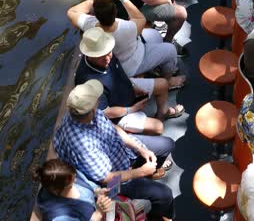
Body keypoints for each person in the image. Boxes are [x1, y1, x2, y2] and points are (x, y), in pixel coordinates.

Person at [54, 80, 176, 220]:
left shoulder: (82, 114)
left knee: (167, 145)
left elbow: (112, 128)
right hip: (111, 182)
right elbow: (107, 179)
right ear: (91, 109)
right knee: (164, 194)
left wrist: (140, 148)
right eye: (97, 101)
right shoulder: (83, 146)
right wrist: (139, 172)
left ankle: (150, 173)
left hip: (121, 153)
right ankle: (157, 217)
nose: (99, 100)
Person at [67, 0, 185, 89]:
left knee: (155, 35)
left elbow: (71, 12)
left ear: (96, 14)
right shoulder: (126, 28)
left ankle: (154, 67)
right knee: (170, 50)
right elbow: (140, 19)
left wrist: (95, 0)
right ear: (115, 12)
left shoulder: (89, 24)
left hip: (121, 56)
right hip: (130, 63)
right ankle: (168, 81)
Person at [75, 27, 185, 135]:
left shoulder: (107, 54)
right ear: (90, 55)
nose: (107, 59)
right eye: (101, 56)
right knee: (158, 127)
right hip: (118, 115)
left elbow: (120, 74)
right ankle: (126, 132)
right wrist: (132, 109)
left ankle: (162, 113)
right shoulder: (89, 82)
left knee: (163, 84)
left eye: (108, 53)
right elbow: (106, 113)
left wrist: (134, 87)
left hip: (127, 91)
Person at [35, 158, 113, 221]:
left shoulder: (68, 174)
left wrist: (97, 191)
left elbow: (88, 183)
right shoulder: (59, 216)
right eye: (71, 184)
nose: (75, 180)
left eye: (75, 175)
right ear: (57, 190)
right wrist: (98, 213)